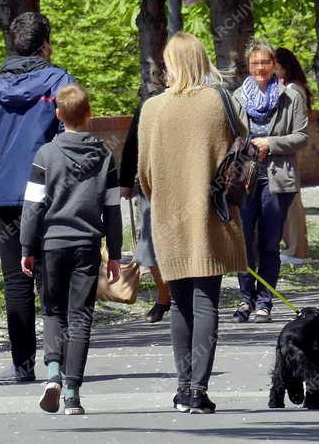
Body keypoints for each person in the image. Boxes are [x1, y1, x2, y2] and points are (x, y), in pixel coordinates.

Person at [137, 32, 248, 414]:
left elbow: (143, 173)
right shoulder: (220, 100)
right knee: (206, 303)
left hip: (168, 214)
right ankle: (198, 390)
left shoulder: (152, 109)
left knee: (179, 302)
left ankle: (183, 387)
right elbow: (243, 143)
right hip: (212, 213)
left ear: (171, 63)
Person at [0, 12, 75, 382]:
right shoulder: (61, 82)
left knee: (16, 280)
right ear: (44, 43)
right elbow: (69, 138)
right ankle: (55, 362)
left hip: (6, 195)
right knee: (52, 278)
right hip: (48, 192)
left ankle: (22, 364)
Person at [19, 83, 121, 416]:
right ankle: (73, 392)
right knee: (81, 317)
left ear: (58, 114)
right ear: (88, 113)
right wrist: (116, 253)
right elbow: (113, 208)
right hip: (88, 245)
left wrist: (26, 246)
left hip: (52, 244)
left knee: (52, 310)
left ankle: (52, 374)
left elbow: (33, 206)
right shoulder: (105, 155)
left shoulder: (45, 154)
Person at [232, 40, 309, 323]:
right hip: (244, 178)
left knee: (268, 243)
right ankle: (244, 300)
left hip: (277, 179)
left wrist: (270, 142)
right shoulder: (237, 97)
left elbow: (302, 137)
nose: (260, 68)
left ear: (274, 64)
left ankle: (264, 302)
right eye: (255, 63)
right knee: (243, 241)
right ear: (248, 66)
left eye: (265, 62)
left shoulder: (291, 96)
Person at [119, 92, 171, 323]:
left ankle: (180, 296)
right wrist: (124, 181)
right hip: (150, 184)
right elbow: (132, 143)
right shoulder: (150, 105)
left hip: (184, 186)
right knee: (149, 247)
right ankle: (164, 296)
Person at [274, 48, 311, 264]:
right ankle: (293, 247)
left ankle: (297, 250)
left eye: (275, 65)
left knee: (292, 199)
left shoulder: (292, 89)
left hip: (286, 146)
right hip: (283, 146)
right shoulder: (289, 87)